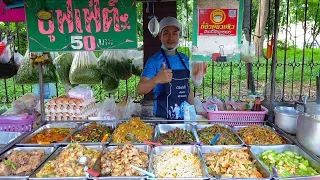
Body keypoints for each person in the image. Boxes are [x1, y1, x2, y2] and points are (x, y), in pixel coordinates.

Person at [136, 16, 195, 120]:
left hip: (185, 116)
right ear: (160, 36)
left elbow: (187, 87)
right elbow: (140, 89)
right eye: (166, 33)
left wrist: (194, 111)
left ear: (178, 36)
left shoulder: (184, 58)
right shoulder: (154, 61)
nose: (171, 37)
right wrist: (156, 79)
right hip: (163, 117)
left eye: (174, 33)